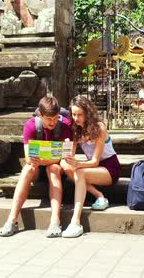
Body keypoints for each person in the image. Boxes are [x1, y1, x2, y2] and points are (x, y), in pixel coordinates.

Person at [0, 96, 72, 237]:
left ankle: (55, 221)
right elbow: (29, 159)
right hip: (37, 169)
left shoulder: (66, 125)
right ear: (40, 115)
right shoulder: (31, 126)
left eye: (56, 118)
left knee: (54, 169)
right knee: (27, 169)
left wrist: (45, 160)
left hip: (55, 167)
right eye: (49, 119)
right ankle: (12, 219)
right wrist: (50, 158)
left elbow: (67, 155)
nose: (53, 122)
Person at [60, 95, 120, 238]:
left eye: (79, 114)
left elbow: (95, 161)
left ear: (87, 112)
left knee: (79, 172)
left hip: (109, 168)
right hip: (92, 169)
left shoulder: (99, 127)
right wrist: (65, 156)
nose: (76, 118)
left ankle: (75, 222)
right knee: (66, 166)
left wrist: (78, 165)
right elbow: (69, 155)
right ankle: (99, 196)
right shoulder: (76, 130)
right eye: (73, 114)